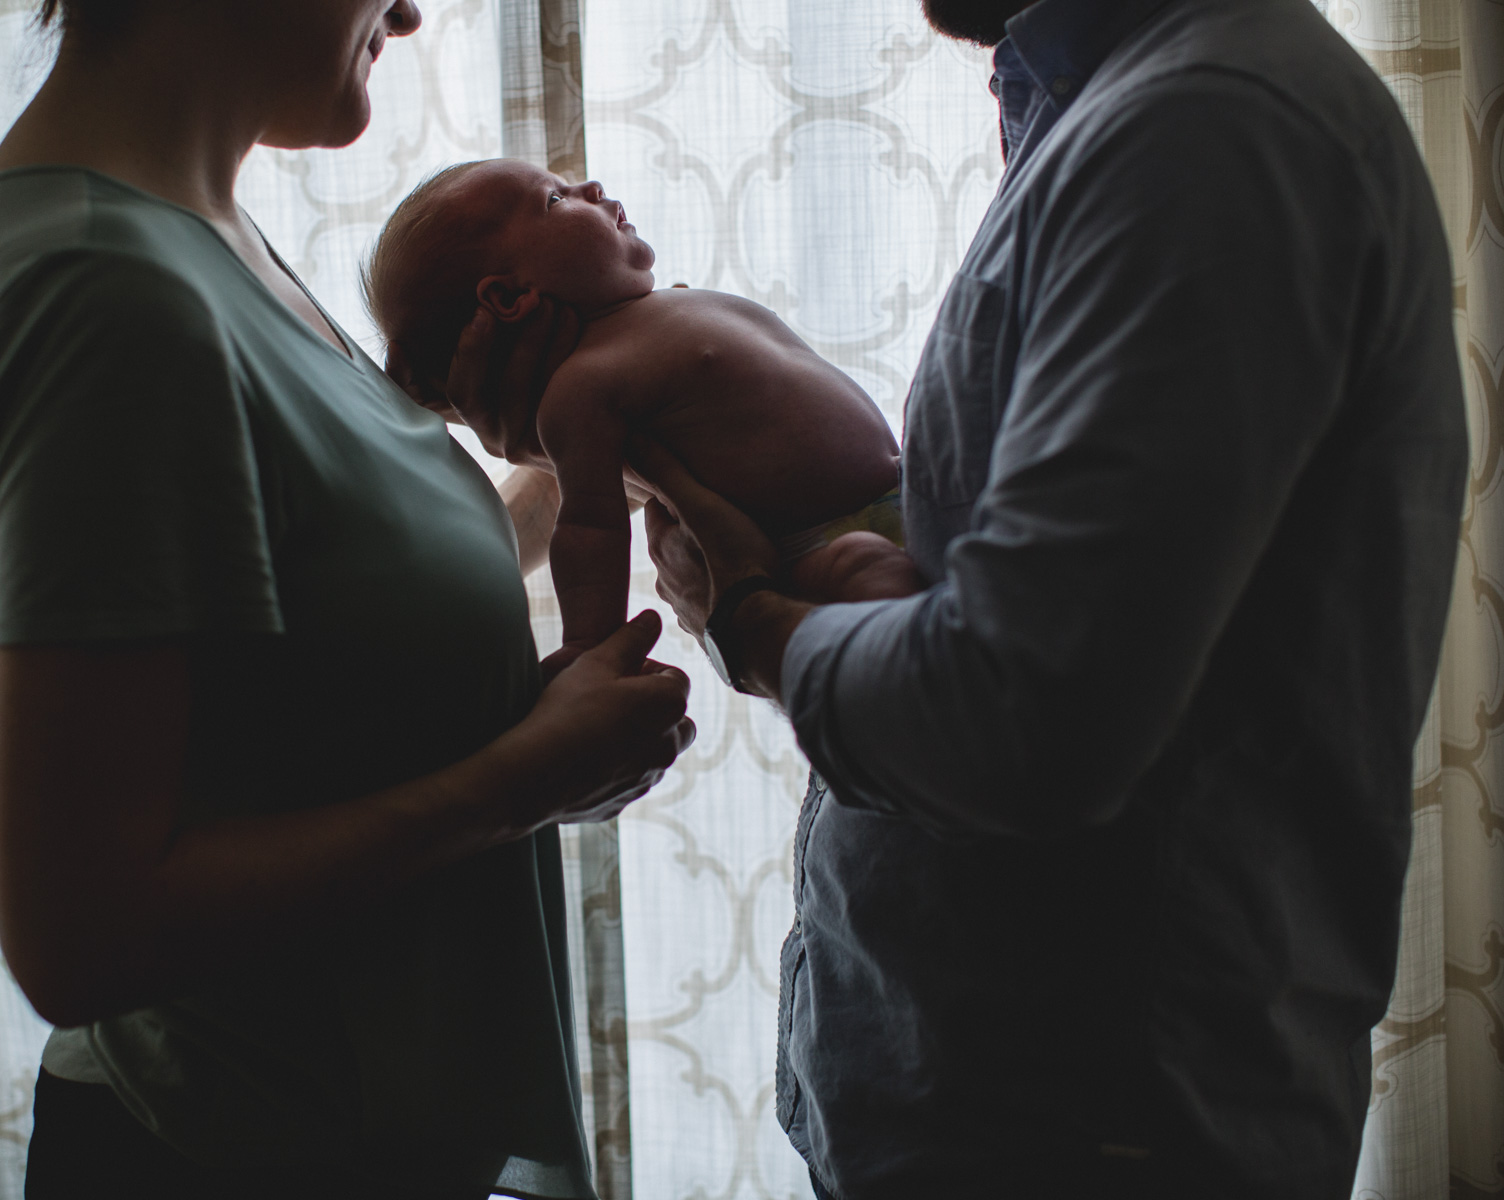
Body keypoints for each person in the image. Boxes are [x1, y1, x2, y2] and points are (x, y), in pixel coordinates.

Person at [602, 0, 1466, 1196]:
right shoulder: (1118, 111)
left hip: (1087, 1128)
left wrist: (751, 619)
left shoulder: (1209, 131)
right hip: (1007, 1099)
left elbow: (1028, 719)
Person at [0, 1, 695, 1196]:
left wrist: (601, 448)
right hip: (238, 1159)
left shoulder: (198, 238)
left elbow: (316, 614)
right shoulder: (100, 289)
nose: (413, 10)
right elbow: (86, 932)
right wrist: (528, 778)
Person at [368, 157, 904, 662]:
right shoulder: (583, 388)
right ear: (509, 299)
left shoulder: (662, 308)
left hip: (905, 501)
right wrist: (590, 647)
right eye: (555, 200)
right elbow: (589, 528)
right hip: (817, 548)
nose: (591, 189)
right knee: (883, 593)